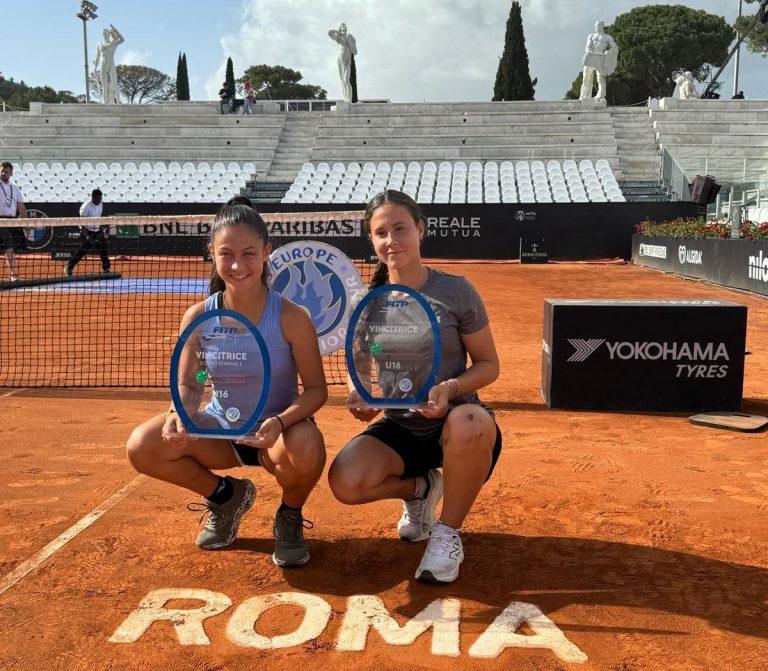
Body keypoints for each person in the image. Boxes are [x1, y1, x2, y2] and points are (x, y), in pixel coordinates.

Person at [126, 204, 327, 567]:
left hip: (278, 434)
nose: (238, 265)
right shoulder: (199, 317)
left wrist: (280, 423)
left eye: (249, 253)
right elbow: (192, 381)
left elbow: (316, 391)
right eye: (227, 255)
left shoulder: (292, 317)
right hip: (222, 432)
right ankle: (225, 496)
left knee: (308, 447)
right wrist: (179, 413)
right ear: (212, 255)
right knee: (142, 446)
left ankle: (289, 515)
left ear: (267, 252)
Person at [328, 190, 502, 584]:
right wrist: (363, 400)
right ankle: (422, 489)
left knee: (470, 421)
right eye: (381, 233)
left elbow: (489, 365)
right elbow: (364, 378)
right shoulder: (365, 303)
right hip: (401, 428)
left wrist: (450, 388)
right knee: (346, 481)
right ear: (372, 241)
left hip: (456, 421)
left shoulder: (457, 291)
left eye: (400, 228)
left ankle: (446, 533)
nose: (392, 240)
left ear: (420, 230)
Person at [66, 189, 110, 277]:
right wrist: (86, 235)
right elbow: (81, 223)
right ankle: (69, 268)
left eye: (100, 198)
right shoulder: (86, 206)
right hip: (87, 231)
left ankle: (106, 269)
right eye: (98, 198)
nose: (99, 200)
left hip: (97, 231)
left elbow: (98, 218)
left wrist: (101, 229)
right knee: (81, 252)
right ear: (93, 197)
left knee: (103, 250)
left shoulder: (101, 204)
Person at [0, 161, 28, 282]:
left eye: (6, 171)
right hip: (0, 220)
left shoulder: (15, 188)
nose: (3, 173)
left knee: (10, 246)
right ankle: (12, 273)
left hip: (11, 221)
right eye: (2, 171)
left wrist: (26, 222)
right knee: (9, 244)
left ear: (11, 173)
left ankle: (12, 273)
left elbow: (20, 206)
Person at [579, 20, 618, 103]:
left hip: (600, 58)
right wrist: (588, 50)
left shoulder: (607, 37)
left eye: (598, 26)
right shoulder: (591, 36)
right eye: (595, 26)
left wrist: (608, 52)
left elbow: (614, 47)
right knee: (586, 78)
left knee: (600, 78)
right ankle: (584, 96)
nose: (596, 28)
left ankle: (601, 96)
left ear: (602, 26)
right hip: (591, 57)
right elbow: (587, 47)